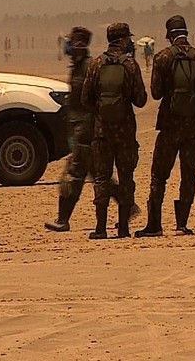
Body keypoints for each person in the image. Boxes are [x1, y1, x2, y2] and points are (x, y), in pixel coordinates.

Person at [136, 16, 195, 237]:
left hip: (169, 124)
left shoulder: (163, 58)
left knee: (159, 176)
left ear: (169, 35)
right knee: (188, 174)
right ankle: (182, 224)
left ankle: (155, 225)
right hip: (193, 125)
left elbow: (156, 93)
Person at [81, 23, 148, 239]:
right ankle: (123, 228)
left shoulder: (96, 64)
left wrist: (101, 111)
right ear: (123, 40)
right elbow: (140, 100)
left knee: (102, 178)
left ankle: (100, 228)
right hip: (126, 132)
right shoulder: (130, 65)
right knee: (126, 177)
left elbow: (86, 100)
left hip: (101, 132)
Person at [45, 27, 96, 232]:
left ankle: (62, 219)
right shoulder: (77, 67)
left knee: (72, 176)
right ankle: (126, 207)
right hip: (78, 129)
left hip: (85, 129)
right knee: (97, 173)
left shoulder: (88, 67)